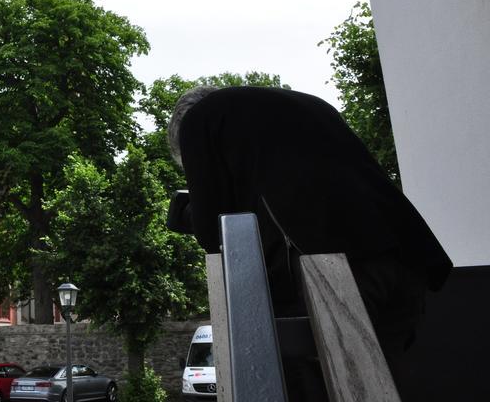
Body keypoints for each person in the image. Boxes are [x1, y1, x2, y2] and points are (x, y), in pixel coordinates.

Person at [166, 85, 453, 393]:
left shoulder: (198, 120)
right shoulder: (305, 106)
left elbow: (213, 229)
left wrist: (184, 213)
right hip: (407, 256)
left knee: (325, 384)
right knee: (385, 383)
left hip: (338, 271)